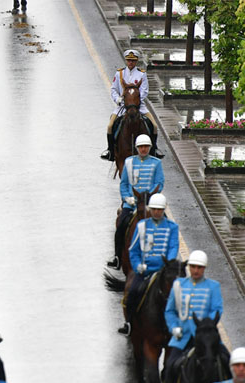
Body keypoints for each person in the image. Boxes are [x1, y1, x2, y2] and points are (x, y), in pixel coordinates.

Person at [155, 250, 225, 383]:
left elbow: (217, 309)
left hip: (206, 338)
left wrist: (206, 326)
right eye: (193, 267)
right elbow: (170, 311)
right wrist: (174, 328)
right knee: (170, 366)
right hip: (183, 336)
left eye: (199, 267)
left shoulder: (213, 286)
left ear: (204, 269)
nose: (196, 270)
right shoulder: (179, 285)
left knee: (227, 360)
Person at [117, 193, 178, 336]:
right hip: (146, 270)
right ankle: (129, 323)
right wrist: (138, 265)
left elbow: (173, 247)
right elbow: (134, 250)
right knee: (132, 292)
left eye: (160, 209)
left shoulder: (172, 227)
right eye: (154, 209)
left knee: (180, 293)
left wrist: (167, 265)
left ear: (164, 210)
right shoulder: (141, 226)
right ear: (150, 210)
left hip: (164, 270)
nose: (157, 212)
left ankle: (182, 326)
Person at [107, 134, 164, 270]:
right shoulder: (129, 162)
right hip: (132, 203)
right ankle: (117, 257)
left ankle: (165, 259)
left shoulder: (156, 163)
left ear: (150, 148)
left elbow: (159, 183)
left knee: (164, 224)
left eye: (146, 147)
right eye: (141, 147)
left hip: (150, 202)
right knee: (121, 225)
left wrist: (149, 197)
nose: (143, 149)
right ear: (137, 148)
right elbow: (124, 184)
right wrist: (127, 198)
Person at [101, 49, 163, 161]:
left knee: (154, 126)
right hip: (122, 106)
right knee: (110, 126)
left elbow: (144, 91)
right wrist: (118, 99)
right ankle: (110, 150)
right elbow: (114, 89)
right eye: (129, 60)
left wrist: (135, 101)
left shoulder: (141, 74)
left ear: (136, 61)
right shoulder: (119, 73)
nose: (130, 63)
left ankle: (155, 149)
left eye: (133, 61)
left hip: (139, 106)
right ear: (126, 60)